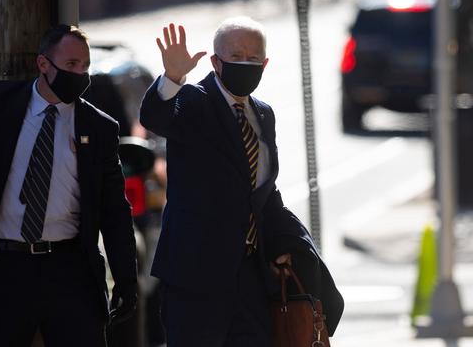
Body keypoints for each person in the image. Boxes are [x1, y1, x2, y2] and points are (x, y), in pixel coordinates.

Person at [139, 17, 344, 346]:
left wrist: (286, 244)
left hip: (250, 274)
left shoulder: (263, 114)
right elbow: (155, 117)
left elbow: (263, 192)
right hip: (196, 276)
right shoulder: (193, 101)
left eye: (253, 57)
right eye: (236, 55)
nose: (245, 63)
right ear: (216, 62)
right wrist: (172, 77)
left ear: (265, 64)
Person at [0, 24, 137, 347]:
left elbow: (115, 211)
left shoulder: (98, 127)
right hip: (7, 267)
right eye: (71, 65)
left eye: (85, 66)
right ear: (43, 64)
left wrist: (126, 282)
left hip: (70, 268)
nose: (80, 74)